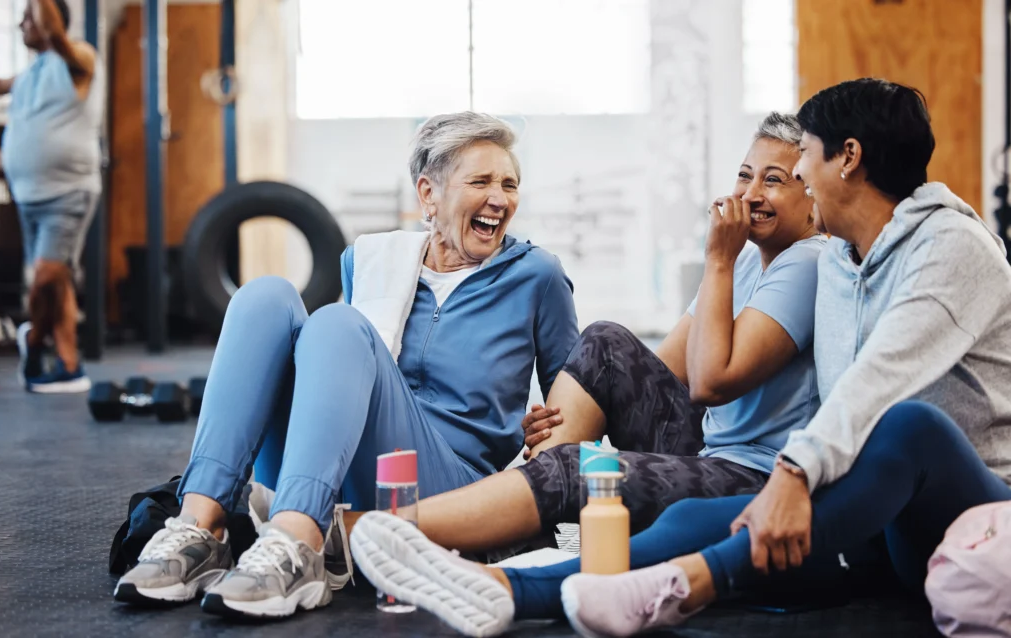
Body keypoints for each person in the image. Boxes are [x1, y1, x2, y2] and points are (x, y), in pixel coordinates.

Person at [349, 78, 1011, 638]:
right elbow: (668, 375)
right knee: (689, 513)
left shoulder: (951, 249)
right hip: (871, 510)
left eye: (799, 160)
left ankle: (681, 579)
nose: (797, 177)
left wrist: (792, 475)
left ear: (848, 159)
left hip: (966, 507)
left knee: (908, 424)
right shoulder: (843, 257)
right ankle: (506, 585)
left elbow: (872, 385)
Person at [113, 112, 580, 620]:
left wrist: (546, 432)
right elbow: (357, 380)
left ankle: (298, 543)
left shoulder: (537, 276)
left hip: (451, 487)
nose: (500, 198)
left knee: (337, 323)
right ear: (429, 194)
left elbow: (578, 406)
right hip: (342, 467)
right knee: (265, 296)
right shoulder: (369, 261)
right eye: (481, 181)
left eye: (510, 184)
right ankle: (201, 529)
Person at [409, 112, 826, 555]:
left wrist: (718, 259)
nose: (750, 194)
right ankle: (525, 506)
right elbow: (656, 377)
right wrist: (558, 420)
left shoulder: (806, 262)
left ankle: (399, 531)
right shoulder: (744, 261)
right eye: (745, 176)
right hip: (710, 449)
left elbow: (709, 382)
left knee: (579, 470)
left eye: (774, 180)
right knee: (604, 342)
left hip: (758, 476)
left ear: (811, 195)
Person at [0, 0, 103, 393]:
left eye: (28, 16)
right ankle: (69, 364)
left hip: (67, 192)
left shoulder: (80, 57)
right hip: (28, 196)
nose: (21, 23)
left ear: (50, 20)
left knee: (46, 277)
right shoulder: (28, 75)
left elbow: (54, 33)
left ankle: (32, 342)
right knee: (58, 283)